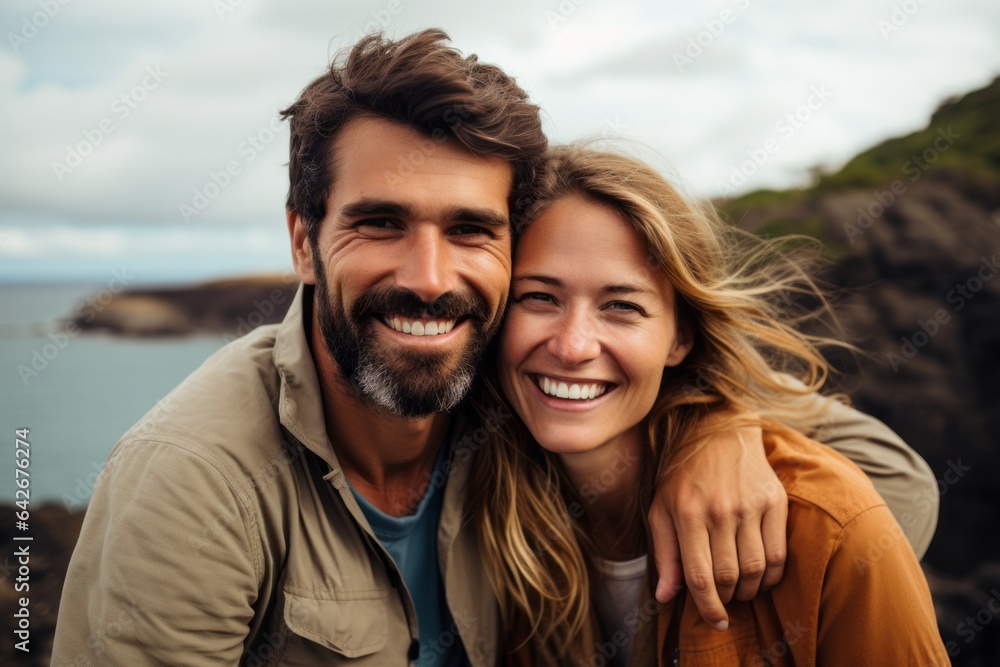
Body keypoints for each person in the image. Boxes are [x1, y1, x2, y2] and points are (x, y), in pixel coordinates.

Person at [51, 31, 939, 666]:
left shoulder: (503, 384)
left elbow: (889, 487)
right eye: (380, 222)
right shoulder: (195, 478)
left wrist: (718, 429)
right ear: (301, 241)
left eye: (471, 230)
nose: (430, 277)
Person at [470, 145, 949, 666]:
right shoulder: (463, 492)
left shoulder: (821, 522)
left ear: (681, 338)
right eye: (539, 297)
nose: (572, 346)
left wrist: (727, 424)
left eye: (622, 307)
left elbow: (900, 491)